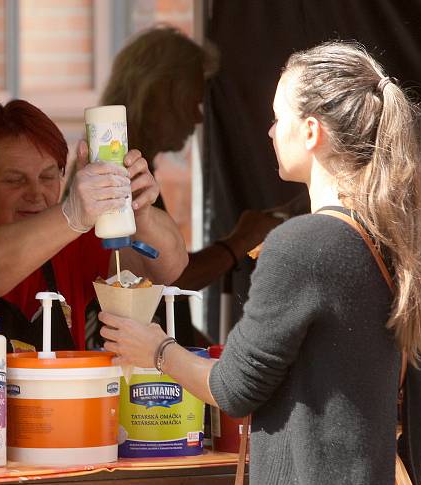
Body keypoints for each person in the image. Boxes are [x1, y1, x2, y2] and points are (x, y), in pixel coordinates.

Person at [99, 41, 421, 485]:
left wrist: (157, 350)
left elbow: (233, 388)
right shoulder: (412, 240)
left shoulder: (301, 244)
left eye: (277, 116)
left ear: (310, 131)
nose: (268, 130)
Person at [0, 99, 187, 445]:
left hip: (48, 447)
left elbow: (166, 267)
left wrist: (139, 210)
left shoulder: (70, 239)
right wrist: (70, 215)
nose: (36, 194)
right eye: (15, 180)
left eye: (48, 176)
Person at [92, 26, 293, 347]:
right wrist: (239, 242)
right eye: (192, 101)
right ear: (158, 95)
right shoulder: (117, 170)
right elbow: (162, 279)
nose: (198, 118)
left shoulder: (138, 167)